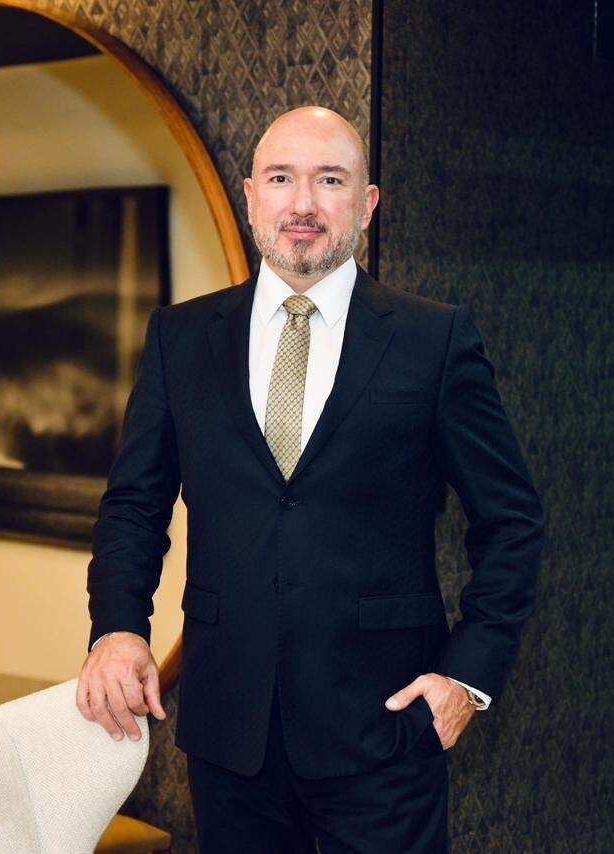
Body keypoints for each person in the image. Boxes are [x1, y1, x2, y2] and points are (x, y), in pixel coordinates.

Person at [75, 105, 545, 852]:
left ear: (367, 203)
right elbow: (134, 505)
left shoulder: (433, 340)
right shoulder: (180, 338)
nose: (302, 203)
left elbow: (513, 521)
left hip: (387, 730)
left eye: (329, 180)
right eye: (280, 178)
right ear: (250, 196)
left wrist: (467, 677)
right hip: (229, 735)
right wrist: (118, 627)